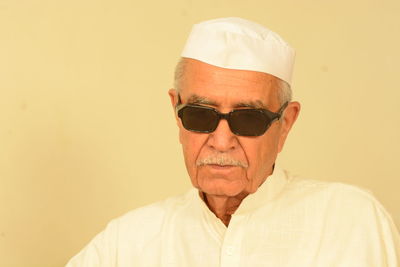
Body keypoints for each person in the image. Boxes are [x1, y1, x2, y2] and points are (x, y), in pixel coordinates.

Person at [66, 17, 400, 266]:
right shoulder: (127, 243)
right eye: (200, 115)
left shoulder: (350, 222)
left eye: (248, 119)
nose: (221, 142)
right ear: (176, 110)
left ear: (286, 123)